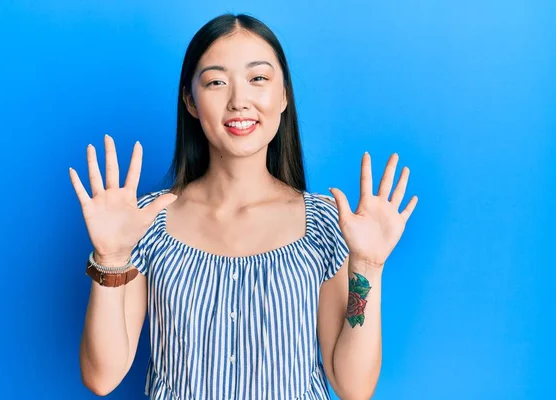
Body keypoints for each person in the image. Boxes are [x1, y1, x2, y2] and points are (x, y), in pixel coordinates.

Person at [69, 13, 417, 400]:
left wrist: (367, 267)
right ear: (190, 100)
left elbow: (354, 387)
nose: (239, 101)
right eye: (217, 82)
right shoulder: (147, 221)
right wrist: (111, 256)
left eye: (258, 79)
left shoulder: (322, 223)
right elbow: (102, 377)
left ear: (283, 94)